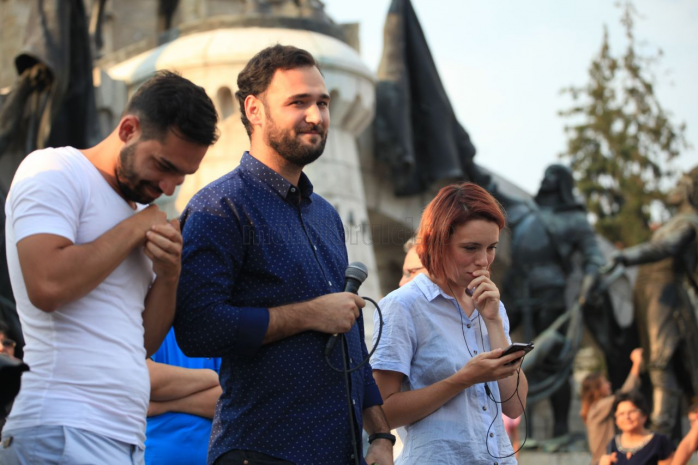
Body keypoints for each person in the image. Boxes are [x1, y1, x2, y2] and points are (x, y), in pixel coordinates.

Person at [174, 45, 392, 465]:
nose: (317, 116)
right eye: (298, 102)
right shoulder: (219, 207)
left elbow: (348, 344)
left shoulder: (326, 216)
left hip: (339, 453)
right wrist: (309, 314)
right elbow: (198, 328)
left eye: (323, 102)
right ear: (254, 109)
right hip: (261, 450)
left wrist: (381, 434)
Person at [0, 71, 218, 464]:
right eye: (163, 165)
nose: (168, 188)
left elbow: (140, 346)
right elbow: (47, 285)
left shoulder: (138, 212)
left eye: (180, 177)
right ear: (128, 129)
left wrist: (169, 276)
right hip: (60, 426)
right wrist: (136, 227)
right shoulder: (54, 170)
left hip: (122, 435)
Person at [370, 182, 529, 464]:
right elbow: (380, 414)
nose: (483, 261)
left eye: (491, 247)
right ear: (437, 242)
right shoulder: (403, 305)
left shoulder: (492, 305)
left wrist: (492, 321)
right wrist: (462, 379)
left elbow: (514, 406)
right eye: (470, 248)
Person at [473, 164, 606, 439]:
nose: (545, 181)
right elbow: (492, 189)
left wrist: (589, 282)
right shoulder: (523, 210)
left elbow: (595, 257)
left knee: (552, 359)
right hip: (518, 291)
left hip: (551, 294)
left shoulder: (574, 221)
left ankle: (559, 430)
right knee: (494, 346)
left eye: (552, 177)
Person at [608, 165, 698, 437]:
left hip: (666, 296)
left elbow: (666, 248)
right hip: (649, 295)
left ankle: (662, 429)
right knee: (655, 362)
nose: (675, 187)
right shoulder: (676, 220)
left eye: (680, 183)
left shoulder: (690, 221)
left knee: (663, 360)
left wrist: (626, 256)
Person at [145, 328, 222, 465]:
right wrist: (211, 376)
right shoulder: (151, 321)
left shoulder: (216, 328)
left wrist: (165, 404)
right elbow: (148, 380)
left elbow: (229, 402)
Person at [581, 348, 643, 465]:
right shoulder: (598, 408)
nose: (609, 384)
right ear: (596, 390)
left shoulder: (597, 409)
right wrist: (636, 363)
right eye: (604, 382)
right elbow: (625, 392)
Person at [598, 391, 674, 465]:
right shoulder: (613, 444)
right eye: (621, 414)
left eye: (631, 412)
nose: (627, 417)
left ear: (644, 415)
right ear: (616, 420)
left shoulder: (659, 442)